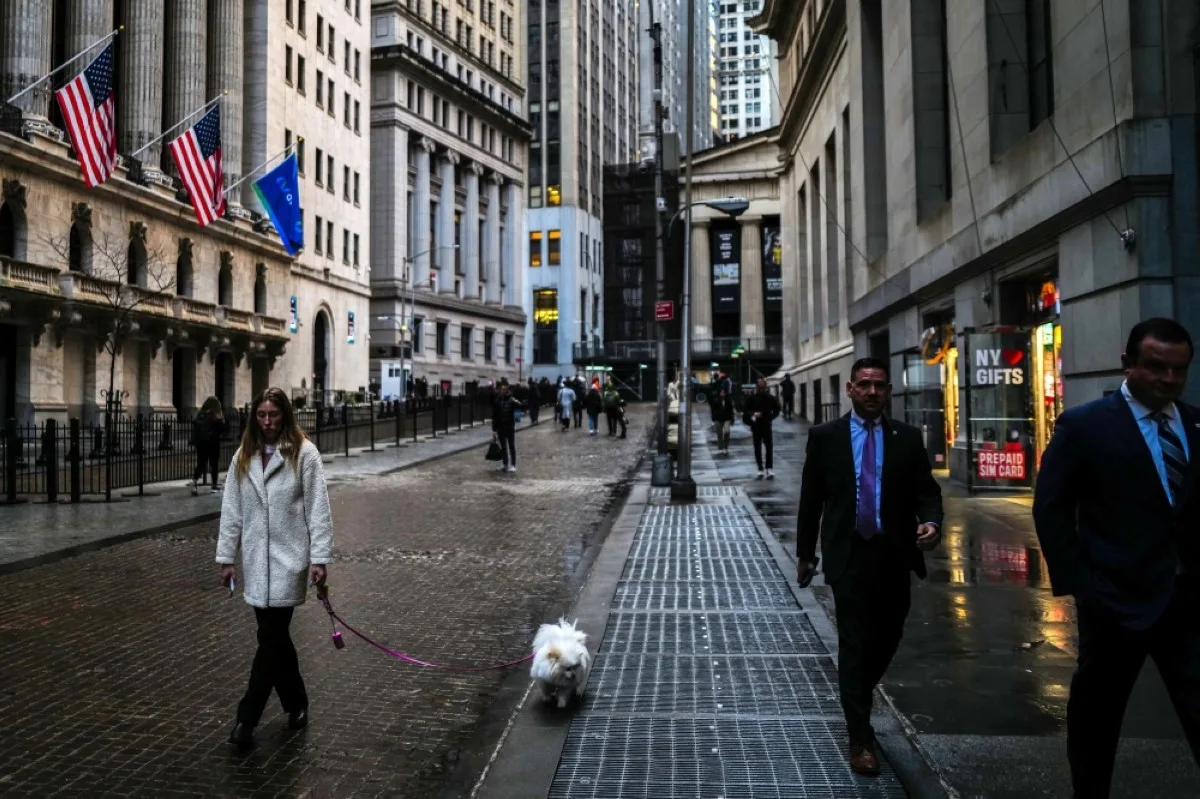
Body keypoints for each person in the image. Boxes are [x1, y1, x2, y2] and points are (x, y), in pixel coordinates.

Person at [1033, 318, 1200, 798]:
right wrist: (1081, 585)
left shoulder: (1196, 423)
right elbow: (1052, 507)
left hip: (1188, 604)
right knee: (1097, 720)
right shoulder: (1085, 425)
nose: (1168, 379)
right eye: (1156, 367)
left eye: (1179, 370)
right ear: (1128, 364)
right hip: (1115, 603)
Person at [796, 357, 942, 775]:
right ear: (850, 389)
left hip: (894, 554)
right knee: (856, 644)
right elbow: (812, 499)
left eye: (879, 385)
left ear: (889, 390)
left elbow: (926, 493)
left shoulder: (907, 438)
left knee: (888, 636)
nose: (872, 392)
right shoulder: (826, 437)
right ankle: (860, 737)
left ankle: (856, 693)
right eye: (864, 385)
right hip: (848, 555)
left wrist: (931, 523)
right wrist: (806, 553)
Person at [216, 387, 333, 750]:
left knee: (269, 641)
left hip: (288, 560)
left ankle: (245, 720)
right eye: (262, 415)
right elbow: (232, 510)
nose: (267, 422)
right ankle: (297, 703)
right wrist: (226, 558)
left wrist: (320, 557)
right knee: (275, 641)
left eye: (274, 415)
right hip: (255, 560)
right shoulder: (244, 456)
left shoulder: (305, 455)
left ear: (285, 415)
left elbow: (318, 509)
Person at [742, 378, 780, 478]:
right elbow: (776, 410)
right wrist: (755, 414)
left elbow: (776, 410)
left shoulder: (759, 398)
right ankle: (765, 468)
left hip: (761, 424)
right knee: (764, 447)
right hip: (762, 424)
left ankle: (764, 468)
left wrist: (754, 414)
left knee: (762, 447)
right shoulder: (767, 397)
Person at [191, 395, 225, 495]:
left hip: (201, 443)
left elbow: (195, 428)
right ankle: (214, 485)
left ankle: (194, 481)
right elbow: (222, 429)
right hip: (213, 443)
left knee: (201, 463)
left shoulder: (200, 415)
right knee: (214, 464)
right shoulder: (216, 415)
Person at [491, 380, 525, 472]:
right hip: (500, 427)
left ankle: (513, 464)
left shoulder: (512, 400)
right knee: (503, 447)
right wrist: (494, 429)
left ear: (507, 390)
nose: (502, 391)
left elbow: (521, 406)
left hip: (509, 427)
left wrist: (524, 403)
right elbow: (495, 416)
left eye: (504, 389)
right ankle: (505, 463)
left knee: (511, 446)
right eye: (501, 389)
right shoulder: (497, 401)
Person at [712, 385, 735, 455]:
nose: (722, 394)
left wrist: (732, 419)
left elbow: (731, 410)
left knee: (727, 432)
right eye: (721, 393)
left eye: (723, 393)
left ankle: (726, 447)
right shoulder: (716, 400)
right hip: (718, 418)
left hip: (727, 418)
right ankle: (720, 447)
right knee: (719, 433)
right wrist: (713, 418)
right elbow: (713, 410)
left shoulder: (729, 400)